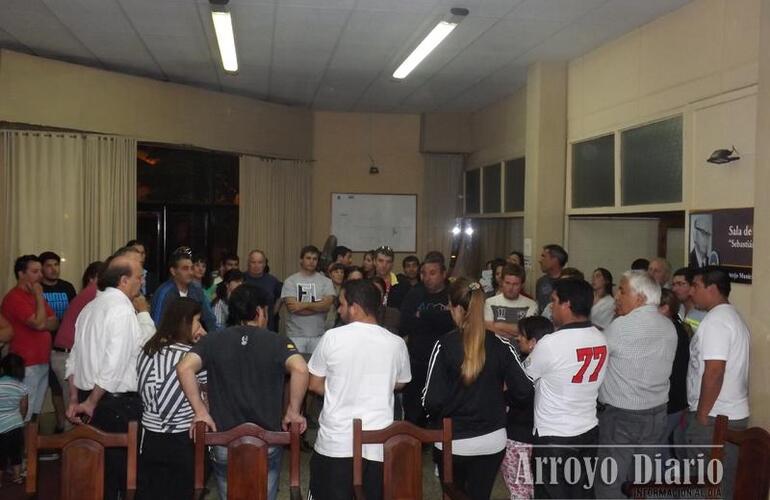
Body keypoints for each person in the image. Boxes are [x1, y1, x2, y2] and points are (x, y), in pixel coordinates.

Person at [177, 285, 309, 500]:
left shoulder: (213, 340)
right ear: (260, 311)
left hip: (223, 440)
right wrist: (293, 411)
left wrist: (200, 412)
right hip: (267, 440)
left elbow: (184, 368)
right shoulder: (278, 341)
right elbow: (301, 369)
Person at [422, 278, 533, 500]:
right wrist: (501, 398)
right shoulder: (501, 346)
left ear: (454, 308)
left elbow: (430, 401)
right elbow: (525, 391)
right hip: (492, 439)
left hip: (453, 439)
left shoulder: (444, 345)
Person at [307, 279, 411, 500]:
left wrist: (344, 387)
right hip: (378, 443)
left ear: (354, 307)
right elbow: (401, 382)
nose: (340, 309)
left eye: (342, 304)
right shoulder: (396, 343)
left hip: (336, 442)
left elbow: (314, 384)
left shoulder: (332, 337)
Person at [65, 252, 156, 500]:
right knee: (125, 477)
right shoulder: (122, 308)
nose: (142, 282)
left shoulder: (89, 308)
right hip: (113, 403)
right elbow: (113, 363)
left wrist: (75, 399)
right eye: (139, 277)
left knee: (98, 473)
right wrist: (91, 402)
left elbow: (74, 358)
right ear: (124, 281)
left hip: (89, 398)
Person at [595, 270, 676, 498]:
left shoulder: (621, 327)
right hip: (657, 415)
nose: (617, 295)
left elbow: (599, 360)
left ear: (640, 298)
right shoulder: (668, 326)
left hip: (622, 416)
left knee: (610, 482)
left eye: (622, 290)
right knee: (640, 481)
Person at [525, 279, 607, 499]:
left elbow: (524, 380)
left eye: (554, 301)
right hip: (588, 431)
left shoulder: (552, 343)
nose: (551, 306)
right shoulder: (600, 337)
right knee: (583, 493)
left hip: (555, 437)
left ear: (567, 304)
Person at [685, 266, 749, 500]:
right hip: (729, 413)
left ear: (712, 288)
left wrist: (702, 414)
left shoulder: (716, 321)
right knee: (720, 485)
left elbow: (714, 371)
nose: (691, 292)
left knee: (704, 488)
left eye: (696, 286)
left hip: (715, 417)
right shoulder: (732, 315)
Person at [137, 297, 207, 500]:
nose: (200, 327)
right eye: (198, 321)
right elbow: (207, 392)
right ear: (186, 322)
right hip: (182, 438)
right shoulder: (192, 357)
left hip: (149, 437)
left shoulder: (147, 350)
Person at [399, 251, 455, 427]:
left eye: (433, 273)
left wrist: (422, 315)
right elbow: (405, 323)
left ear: (443, 274)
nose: (427, 278)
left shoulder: (452, 294)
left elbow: (452, 322)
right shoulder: (415, 294)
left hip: (445, 360)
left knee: (443, 406)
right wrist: (439, 316)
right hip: (418, 359)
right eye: (424, 273)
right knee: (414, 408)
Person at [501, 316, 554, 500]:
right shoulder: (553, 365)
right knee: (535, 487)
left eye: (521, 335)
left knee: (520, 490)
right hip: (542, 437)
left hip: (518, 438)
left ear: (533, 342)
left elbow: (516, 396)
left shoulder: (527, 367)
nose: (517, 338)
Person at [1, 255, 57, 422]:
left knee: (36, 411)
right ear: (21, 274)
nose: (40, 275)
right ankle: (23, 446)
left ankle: (31, 445)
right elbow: (38, 323)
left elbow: (54, 322)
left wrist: (42, 321)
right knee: (25, 410)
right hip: (25, 362)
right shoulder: (14, 297)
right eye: (35, 271)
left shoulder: (33, 297)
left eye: (40, 271)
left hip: (42, 359)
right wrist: (39, 297)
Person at [50, 260, 103, 431]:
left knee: (73, 410)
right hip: (67, 356)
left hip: (64, 354)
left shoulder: (87, 293)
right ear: (94, 278)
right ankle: (70, 454)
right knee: (73, 413)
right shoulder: (95, 293)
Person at [39, 250, 77, 432]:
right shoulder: (38, 288)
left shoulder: (67, 287)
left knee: (63, 386)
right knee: (52, 388)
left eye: (56, 265)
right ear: (42, 268)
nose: (54, 269)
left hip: (64, 347)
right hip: (43, 345)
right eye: (49, 265)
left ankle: (64, 424)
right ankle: (60, 421)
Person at [281, 245, 336, 355]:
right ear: (301, 260)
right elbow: (293, 308)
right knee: (296, 369)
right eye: (308, 258)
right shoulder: (290, 281)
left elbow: (326, 306)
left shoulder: (326, 282)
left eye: (315, 259)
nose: (311, 261)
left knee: (316, 370)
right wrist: (318, 306)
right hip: (295, 335)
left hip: (318, 335)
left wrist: (302, 305)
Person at [658, 288, 691, 463]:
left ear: (664, 308)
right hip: (675, 400)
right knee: (661, 446)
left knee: (657, 447)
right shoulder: (675, 327)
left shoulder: (668, 332)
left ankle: (664, 484)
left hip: (670, 401)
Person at [151, 249, 217, 334]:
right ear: (173, 271)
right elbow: (157, 326)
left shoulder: (197, 291)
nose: (190, 272)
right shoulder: (164, 293)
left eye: (192, 268)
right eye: (185, 269)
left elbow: (210, 319)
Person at [484, 263, 537, 340]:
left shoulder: (531, 304)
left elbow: (527, 331)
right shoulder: (490, 302)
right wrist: (515, 334)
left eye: (515, 284)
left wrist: (500, 325)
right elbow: (488, 328)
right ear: (502, 282)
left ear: (522, 285)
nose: (511, 288)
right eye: (507, 283)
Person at [0, 353, 28, 487]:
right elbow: (23, 407)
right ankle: (17, 477)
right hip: (15, 425)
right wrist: (19, 419)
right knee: (16, 453)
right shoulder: (21, 387)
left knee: (1, 456)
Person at [243, 249, 282, 331]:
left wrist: (272, 313)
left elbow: (281, 297)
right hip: (244, 329)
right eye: (253, 262)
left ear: (264, 264)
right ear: (248, 263)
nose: (256, 265)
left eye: (260, 262)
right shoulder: (241, 279)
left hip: (268, 329)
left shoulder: (273, 281)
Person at [671, 267, 707, 332]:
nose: (674, 289)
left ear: (692, 287)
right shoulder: (675, 309)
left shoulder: (703, 314)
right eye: (673, 285)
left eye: (680, 284)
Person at [535, 244, 567, 312]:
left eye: (544, 256)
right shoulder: (541, 282)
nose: (540, 260)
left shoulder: (568, 281)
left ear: (555, 260)